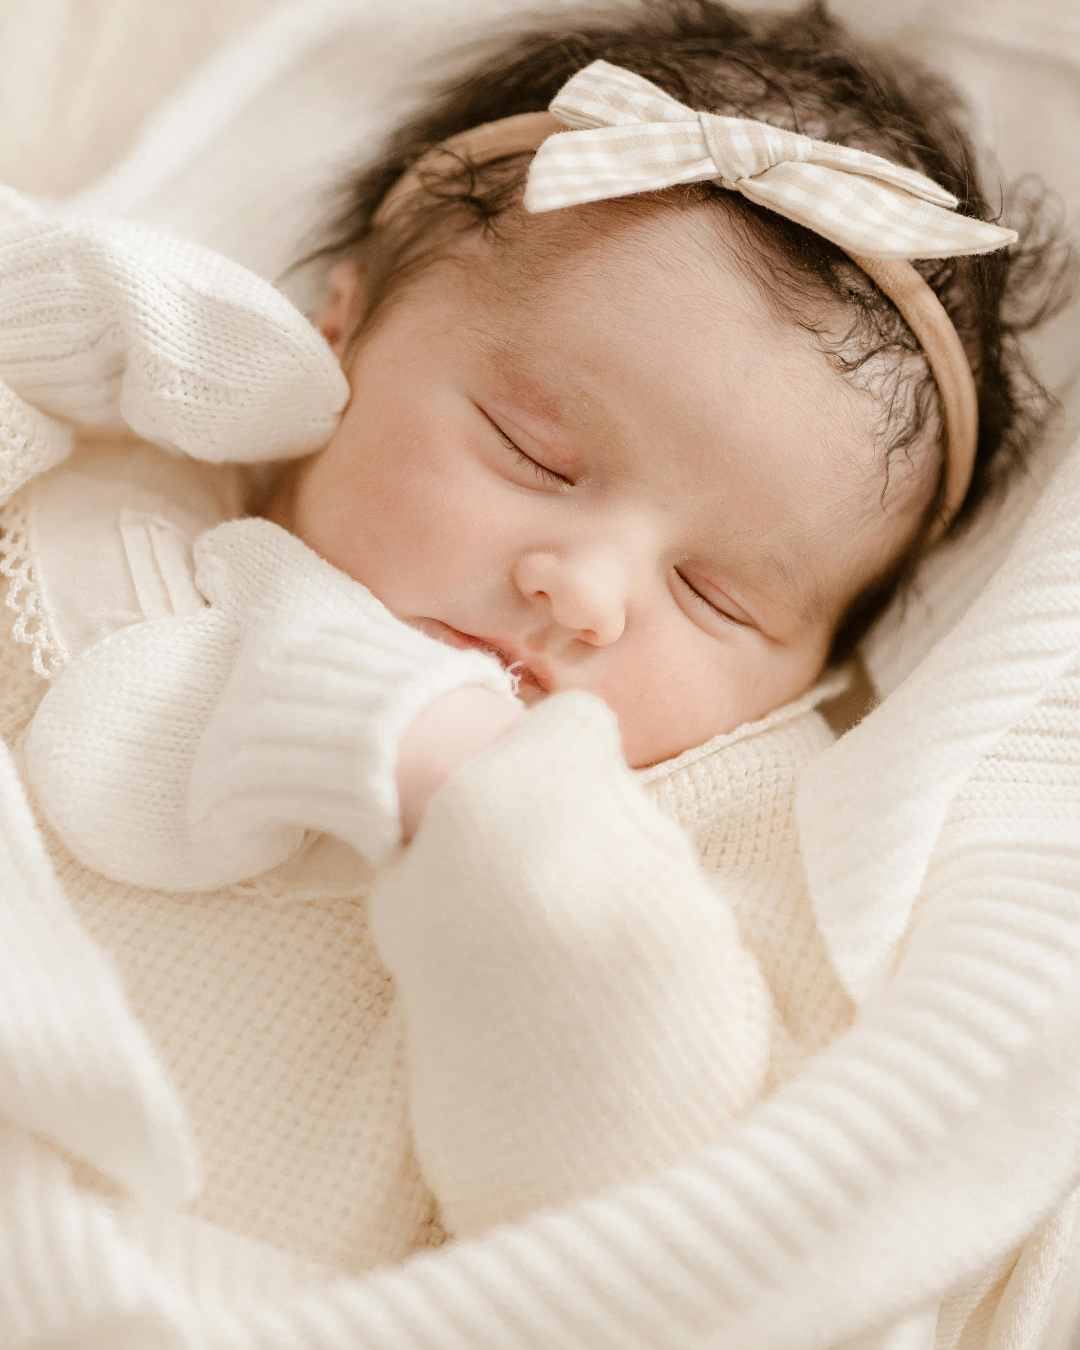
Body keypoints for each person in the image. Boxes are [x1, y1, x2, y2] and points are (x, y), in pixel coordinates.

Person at [0, 1, 1072, 1343]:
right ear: (339, 332)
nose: (589, 593)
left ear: (815, 670)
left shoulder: (716, 815)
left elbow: (636, 1204)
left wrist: (486, 807)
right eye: (538, 453)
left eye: (715, 593)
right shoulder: (108, 484)